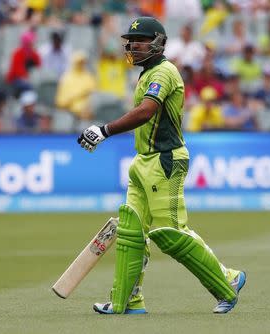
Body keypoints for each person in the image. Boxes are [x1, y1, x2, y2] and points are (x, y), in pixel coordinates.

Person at [77, 16, 246, 315]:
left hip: (165, 159)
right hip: (143, 160)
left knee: (171, 234)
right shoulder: (146, 73)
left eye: (140, 40)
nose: (132, 46)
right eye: (130, 41)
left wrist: (104, 130)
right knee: (131, 232)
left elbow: (146, 112)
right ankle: (127, 301)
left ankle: (227, 281)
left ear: (158, 42)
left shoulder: (164, 72)